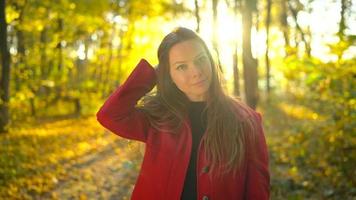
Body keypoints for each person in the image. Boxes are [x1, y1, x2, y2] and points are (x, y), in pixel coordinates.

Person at [96, 27, 270, 200]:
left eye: (200, 59)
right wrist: (153, 73)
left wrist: (177, 65)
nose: (196, 72)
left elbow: (257, 192)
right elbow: (109, 114)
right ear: (168, 74)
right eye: (181, 67)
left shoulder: (247, 121)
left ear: (211, 60)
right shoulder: (157, 117)